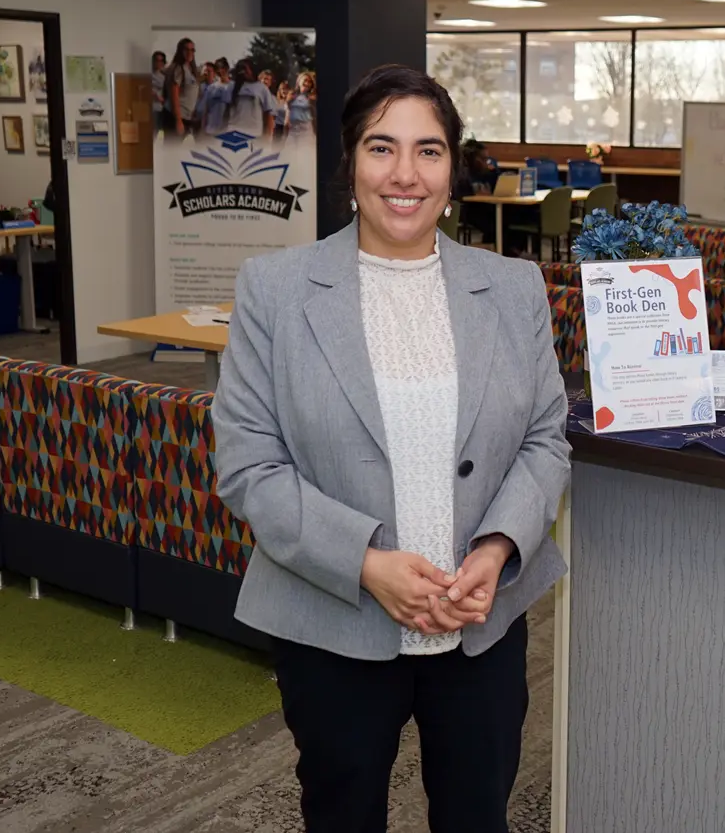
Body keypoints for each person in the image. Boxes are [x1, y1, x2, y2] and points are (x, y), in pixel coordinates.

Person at [211, 63, 569, 833]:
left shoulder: (513, 288)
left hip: (481, 625)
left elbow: (546, 437)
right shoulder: (274, 289)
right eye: (382, 148)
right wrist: (366, 563)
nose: (405, 174)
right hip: (333, 622)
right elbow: (248, 463)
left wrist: (501, 547)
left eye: (429, 150)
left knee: (478, 816)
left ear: (452, 169)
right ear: (351, 164)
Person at [224, 58, 278, 139]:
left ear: (252, 70)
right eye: (240, 69)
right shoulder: (231, 87)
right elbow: (226, 112)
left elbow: (268, 116)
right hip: (233, 131)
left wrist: (267, 137)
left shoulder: (262, 88)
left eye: (244, 68)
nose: (242, 71)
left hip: (254, 133)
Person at [165, 37, 201, 138]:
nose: (190, 52)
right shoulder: (178, 68)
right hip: (176, 117)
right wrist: (178, 120)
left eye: (192, 50)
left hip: (187, 117)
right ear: (180, 51)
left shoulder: (191, 70)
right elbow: (174, 95)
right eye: (186, 49)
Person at [289, 71, 316, 137]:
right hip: (292, 133)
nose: (307, 83)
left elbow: (315, 118)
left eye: (310, 82)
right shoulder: (292, 96)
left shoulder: (313, 98)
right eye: (305, 80)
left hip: (306, 133)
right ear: (299, 81)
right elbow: (287, 118)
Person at [150, 50, 167, 135]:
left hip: (160, 109)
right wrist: (156, 96)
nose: (158, 63)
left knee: (157, 133)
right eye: (156, 60)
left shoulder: (163, 76)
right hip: (150, 108)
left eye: (161, 61)